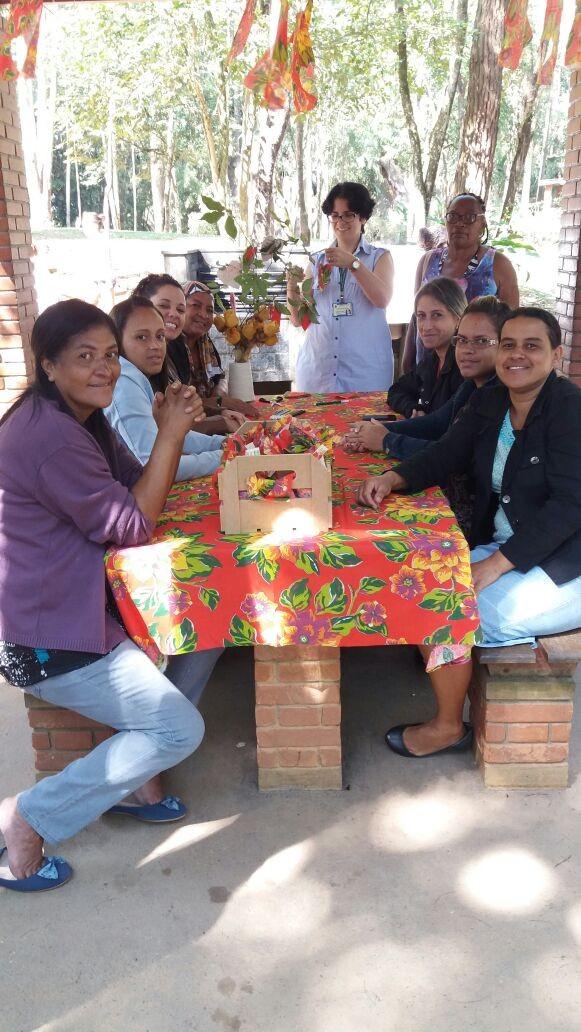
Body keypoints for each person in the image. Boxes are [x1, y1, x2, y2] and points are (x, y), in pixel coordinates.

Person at [0, 300, 222, 892]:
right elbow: (131, 522)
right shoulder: (48, 437)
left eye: (108, 356)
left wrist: (171, 437)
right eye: (84, 357)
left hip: (92, 606)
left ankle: (141, 781)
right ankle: (29, 819)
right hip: (49, 635)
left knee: (213, 621)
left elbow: (133, 477)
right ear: (48, 366)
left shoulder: (80, 416)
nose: (103, 369)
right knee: (179, 730)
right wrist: (172, 433)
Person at [358, 307, 581, 759]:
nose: (517, 355)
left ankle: (447, 727)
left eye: (532, 346)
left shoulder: (569, 409)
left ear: (556, 355)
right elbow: (447, 453)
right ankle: (452, 682)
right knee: (416, 577)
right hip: (512, 547)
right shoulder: (493, 400)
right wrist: (394, 479)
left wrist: (494, 566)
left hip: (564, 564)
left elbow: (569, 507)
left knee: (441, 606)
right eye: (509, 344)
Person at [343, 296, 509, 457]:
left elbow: (455, 454)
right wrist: (377, 430)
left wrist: (386, 440)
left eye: (481, 341)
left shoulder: (498, 394)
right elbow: (437, 422)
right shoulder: (470, 383)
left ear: (505, 345)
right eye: (462, 340)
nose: (467, 349)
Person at [287, 181, 395, 393]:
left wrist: (353, 264)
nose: (340, 221)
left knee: (365, 426)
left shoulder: (379, 257)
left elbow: (382, 299)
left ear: (363, 218)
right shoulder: (316, 261)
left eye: (348, 215)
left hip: (365, 374)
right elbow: (299, 319)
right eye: (335, 215)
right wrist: (291, 285)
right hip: (318, 372)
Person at [106, 296, 225, 479]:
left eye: (160, 336)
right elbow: (152, 465)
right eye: (141, 337)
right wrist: (225, 456)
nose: (155, 346)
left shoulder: (136, 377)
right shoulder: (123, 382)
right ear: (116, 342)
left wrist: (221, 444)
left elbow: (167, 435)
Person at [401, 192, 520, 373]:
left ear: (482, 225)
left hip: (476, 373)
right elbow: (415, 315)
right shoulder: (427, 261)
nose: (460, 223)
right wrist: (407, 362)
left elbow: (511, 326)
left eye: (470, 217)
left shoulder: (498, 265)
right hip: (428, 368)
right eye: (453, 216)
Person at [131, 274, 255, 429]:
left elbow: (184, 407)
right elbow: (167, 425)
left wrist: (219, 408)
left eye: (180, 309)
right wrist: (221, 414)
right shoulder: (136, 367)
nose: (203, 315)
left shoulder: (204, 344)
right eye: (195, 305)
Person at [387, 277, 466, 418]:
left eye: (437, 315)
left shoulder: (465, 365)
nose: (427, 326)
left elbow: (446, 425)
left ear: (458, 319)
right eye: (421, 316)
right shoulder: (432, 361)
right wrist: (413, 409)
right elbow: (397, 390)